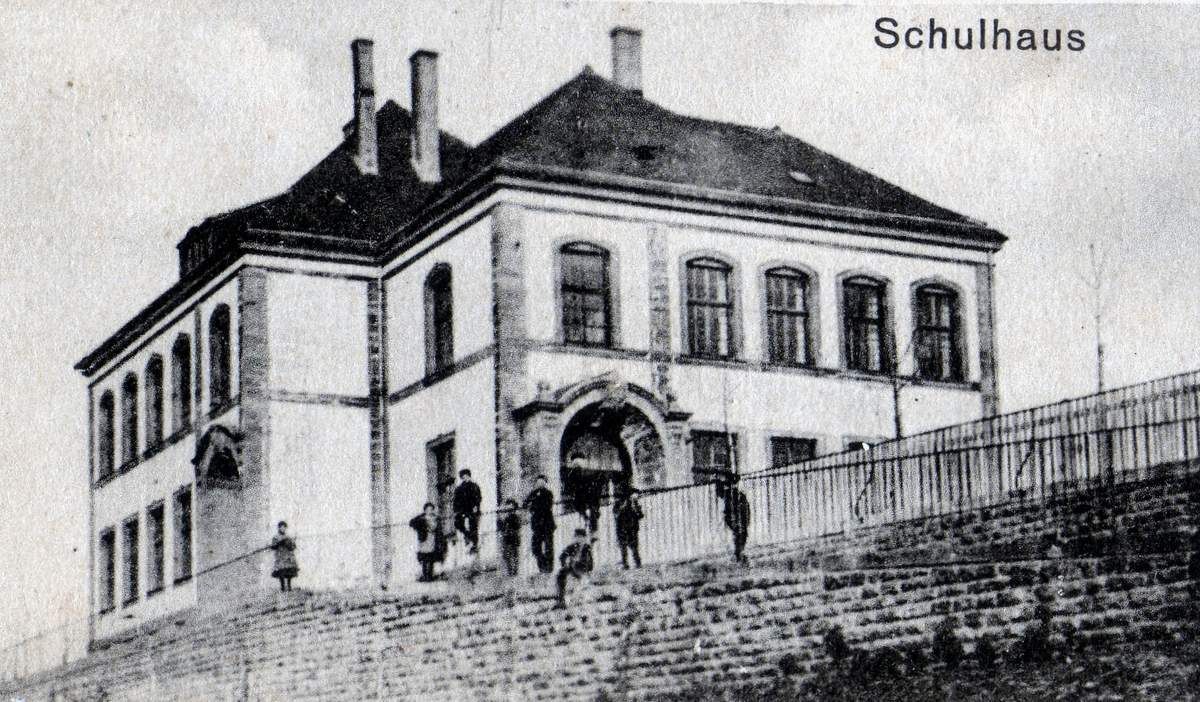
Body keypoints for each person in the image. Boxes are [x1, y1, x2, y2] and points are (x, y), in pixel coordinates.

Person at [523, 475, 556, 574]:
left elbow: (546, 506)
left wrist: (533, 506)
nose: (540, 484)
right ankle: (542, 566)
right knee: (536, 548)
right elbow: (525, 504)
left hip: (547, 524)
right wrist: (532, 501)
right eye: (538, 482)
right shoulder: (533, 493)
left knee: (548, 546)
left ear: (545, 483)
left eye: (542, 482)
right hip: (537, 525)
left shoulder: (548, 493)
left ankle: (549, 568)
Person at [555, 528, 594, 608]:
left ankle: (574, 601)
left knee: (577, 583)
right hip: (572, 568)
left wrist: (587, 571)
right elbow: (562, 556)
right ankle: (561, 600)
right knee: (560, 575)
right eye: (577, 537)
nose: (579, 539)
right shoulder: (571, 547)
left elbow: (590, 563)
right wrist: (564, 563)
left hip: (582, 569)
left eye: (581, 537)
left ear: (584, 538)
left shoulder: (587, 548)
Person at [409, 502, 444, 582]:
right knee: (424, 558)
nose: (429, 511)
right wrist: (419, 529)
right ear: (425, 510)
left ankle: (430, 575)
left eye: (431, 509)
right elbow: (412, 523)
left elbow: (438, 528)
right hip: (424, 539)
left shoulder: (435, 518)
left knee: (431, 557)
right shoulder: (421, 517)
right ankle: (425, 575)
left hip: (432, 539)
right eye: (428, 509)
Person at [720, 478, 751, 563]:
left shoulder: (739, 495)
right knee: (739, 535)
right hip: (737, 521)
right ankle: (739, 554)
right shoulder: (730, 497)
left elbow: (745, 509)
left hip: (740, 520)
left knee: (741, 535)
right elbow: (728, 512)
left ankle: (739, 554)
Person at [452, 469, 483, 554]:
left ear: (469, 476)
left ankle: (474, 544)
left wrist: (476, 506)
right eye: (463, 477)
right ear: (461, 478)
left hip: (473, 510)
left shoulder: (474, 486)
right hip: (463, 511)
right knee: (458, 523)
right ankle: (468, 536)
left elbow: (478, 497)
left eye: (467, 476)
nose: (465, 478)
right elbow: (456, 501)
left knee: (473, 526)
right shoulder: (459, 489)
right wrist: (457, 511)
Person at [614, 488, 645, 569]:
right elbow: (617, 515)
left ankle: (637, 564)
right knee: (624, 549)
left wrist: (635, 506)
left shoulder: (634, 504)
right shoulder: (618, 504)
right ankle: (625, 564)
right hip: (622, 529)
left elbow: (640, 515)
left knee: (634, 548)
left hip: (631, 529)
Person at [269, 521, 299, 592]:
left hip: (288, 556)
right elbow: (273, 547)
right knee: (281, 572)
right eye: (281, 527)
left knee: (289, 573)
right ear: (279, 528)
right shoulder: (275, 537)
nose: (283, 529)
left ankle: (289, 587)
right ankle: (282, 587)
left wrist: (292, 543)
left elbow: (293, 547)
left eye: (284, 527)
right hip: (280, 556)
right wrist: (279, 543)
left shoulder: (288, 537)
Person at [498, 498, 522, 577]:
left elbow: (516, 527)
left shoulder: (514, 517)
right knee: (507, 555)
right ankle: (511, 571)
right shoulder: (506, 518)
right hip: (507, 538)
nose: (507, 511)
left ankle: (514, 571)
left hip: (512, 538)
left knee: (513, 555)